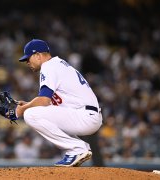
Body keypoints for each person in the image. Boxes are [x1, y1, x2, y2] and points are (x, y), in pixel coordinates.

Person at [15, 39, 103, 167]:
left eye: (28, 58)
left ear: (38, 55)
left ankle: (77, 149)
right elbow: (49, 104)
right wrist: (27, 104)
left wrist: (22, 109)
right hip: (86, 115)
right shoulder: (58, 64)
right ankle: (76, 150)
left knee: (30, 114)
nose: (27, 62)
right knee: (37, 113)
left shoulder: (48, 66)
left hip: (84, 116)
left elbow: (44, 100)